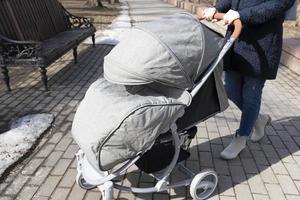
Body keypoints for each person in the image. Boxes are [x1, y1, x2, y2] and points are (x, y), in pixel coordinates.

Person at [203, 0, 296, 159]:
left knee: (251, 95)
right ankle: (259, 118)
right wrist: (216, 8)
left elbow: (275, 6)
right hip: (237, 40)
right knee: (230, 90)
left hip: (263, 45)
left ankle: (242, 137)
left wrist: (241, 15)